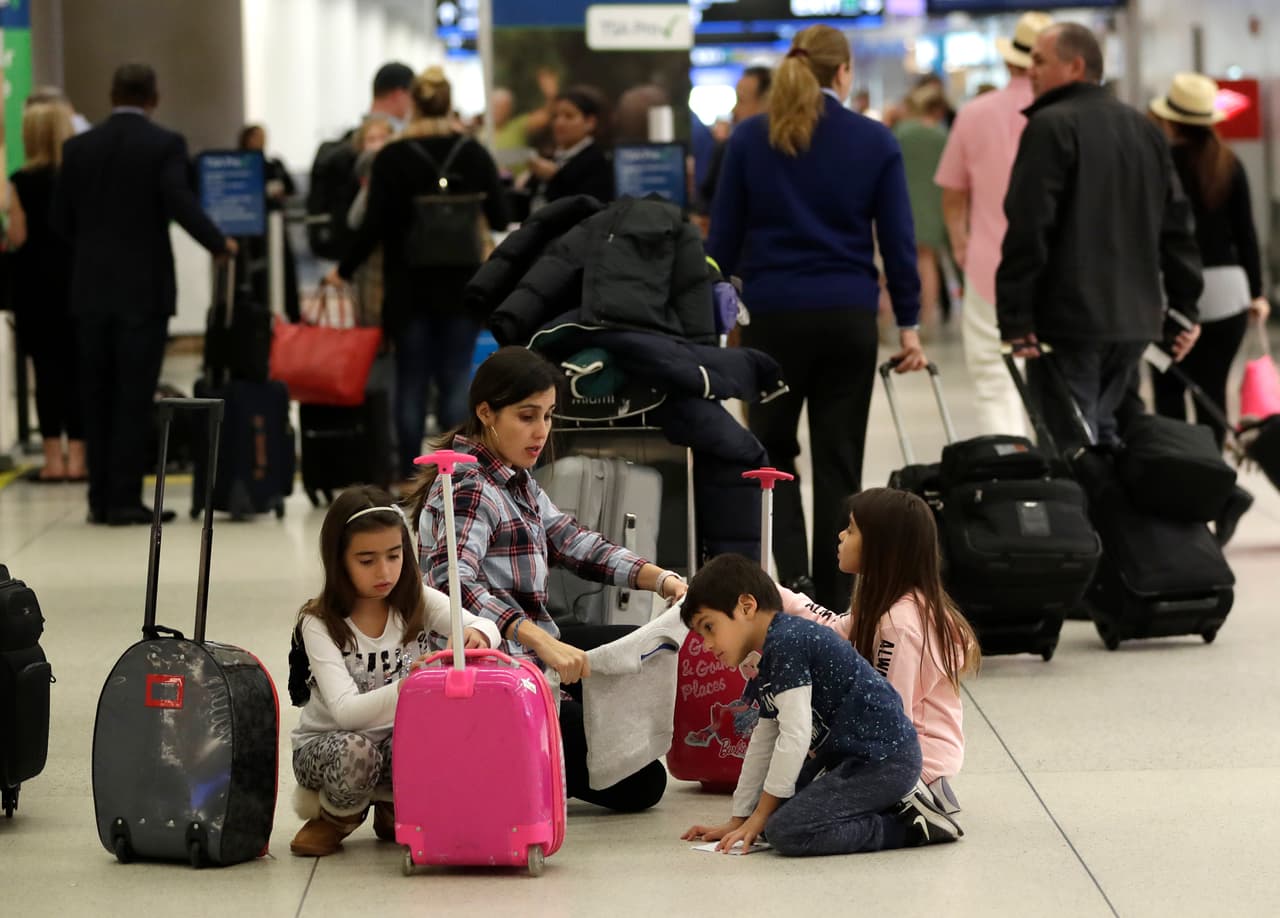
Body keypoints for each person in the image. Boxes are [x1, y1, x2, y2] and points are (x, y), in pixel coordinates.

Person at [707, 24, 927, 611]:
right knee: (839, 459)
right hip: (848, 318)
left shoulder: (752, 139)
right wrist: (909, 323)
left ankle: (794, 586)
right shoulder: (875, 140)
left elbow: (722, 242)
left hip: (773, 321)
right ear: (844, 72)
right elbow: (899, 242)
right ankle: (839, 595)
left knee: (774, 457)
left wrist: (713, 319)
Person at [409, 346, 683, 812]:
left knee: (640, 646)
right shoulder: (471, 487)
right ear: (486, 413)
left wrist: (661, 580)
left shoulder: (514, 478)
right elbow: (456, 586)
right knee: (644, 785)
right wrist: (540, 641)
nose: (541, 432)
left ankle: (570, 735)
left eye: (549, 416)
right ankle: (521, 760)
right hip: (495, 671)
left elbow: (574, 542)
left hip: (531, 649)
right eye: (527, 416)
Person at [997, 23, 1203, 451]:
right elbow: (1177, 226)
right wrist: (1184, 308)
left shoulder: (1050, 126)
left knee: (1067, 447)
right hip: (1135, 322)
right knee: (1104, 435)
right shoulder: (1145, 129)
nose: (1029, 71)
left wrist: (1015, 315)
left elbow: (1030, 224)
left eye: (1039, 61)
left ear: (1075, 66)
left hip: (1070, 320)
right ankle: (1106, 518)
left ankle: (1082, 518)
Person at [678, 554, 961, 856]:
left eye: (709, 627)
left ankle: (908, 825)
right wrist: (740, 818)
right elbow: (763, 740)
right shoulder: (771, 652)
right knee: (773, 813)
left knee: (785, 831)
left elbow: (795, 736)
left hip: (884, 761)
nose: (707, 645)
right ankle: (887, 802)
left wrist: (759, 817)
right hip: (848, 761)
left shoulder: (788, 643)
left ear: (747, 607)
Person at [52, 63, 235, 526]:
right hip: (143, 291)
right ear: (153, 98)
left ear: (112, 95)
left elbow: (60, 221)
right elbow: (179, 200)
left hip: (90, 291)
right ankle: (124, 500)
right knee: (134, 396)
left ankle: (98, 499)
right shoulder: (164, 145)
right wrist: (218, 243)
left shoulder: (77, 148)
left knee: (95, 394)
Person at [289, 486, 500, 856]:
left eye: (394, 555)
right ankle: (337, 816)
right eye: (366, 560)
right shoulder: (318, 622)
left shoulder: (415, 599)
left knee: (446, 735)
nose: (384, 571)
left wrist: (475, 634)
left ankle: (392, 806)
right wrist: (412, 686)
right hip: (329, 749)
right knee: (357, 752)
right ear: (338, 561)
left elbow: (486, 626)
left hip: (399, 745)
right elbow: (345, 712)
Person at [328, 67, 508, 482]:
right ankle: (451, 476)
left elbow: (372, 225)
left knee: (409, 381)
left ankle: (408, 477)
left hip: (407, 288)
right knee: (455, 380)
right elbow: (501, 213)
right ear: (448, 103)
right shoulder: (472, 152)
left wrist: (344, 269)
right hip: (462, 287)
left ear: (413, 104)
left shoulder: (392, 156)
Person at [780, 488, 980, 815]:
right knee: (784, 789)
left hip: (910, 763)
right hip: (895, 753)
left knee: (790, 815)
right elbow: (831, 628)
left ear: (881, 548)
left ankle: (917, 815)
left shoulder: (898, 625)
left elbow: (888, 716)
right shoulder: (890, 605)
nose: (841, 535)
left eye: (852, 529)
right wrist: (772, 593)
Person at [1149, 72, 1267, 545]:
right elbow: (1246, 233)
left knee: (1170, 395)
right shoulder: (1229, 163)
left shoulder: (1159, 165)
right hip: (1230, 293)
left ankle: (1184, 504)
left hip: (1175, 294)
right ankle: (1217, 491)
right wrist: (1258, 292)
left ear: (1171, 119)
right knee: (1212, 395)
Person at [935, 11, 1053, 437]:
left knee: (993, 378)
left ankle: (1015, 483)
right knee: (1058, 378)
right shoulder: (1069, 115)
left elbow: (952, 192)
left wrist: (962, 244)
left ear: (1009, 62)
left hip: (991, 264)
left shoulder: (975, 114)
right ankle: (1065, 482)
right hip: (1062, 269)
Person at [6, 101, 84, 482]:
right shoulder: (79, 177)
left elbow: (18, 237)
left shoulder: (19, 181)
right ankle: (81, 458)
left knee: (48, 374)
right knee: (80, 371)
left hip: (35, 288)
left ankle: (54, 460)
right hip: (77, 283)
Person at [306, 62, 415, 260]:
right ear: (399, 94)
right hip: (379, 251)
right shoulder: (390, 146)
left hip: (354, 249)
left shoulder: (350, 143)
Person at [894, 84, 951, 334]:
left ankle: (891, 321)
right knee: (928, 263)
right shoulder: (942, 136)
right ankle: (928, 320)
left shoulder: (902, 133)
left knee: (896, 264)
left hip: (902, 204)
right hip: (934, 204)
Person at [238, 124, 300, 321]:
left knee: (282, 267)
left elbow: (291, 188)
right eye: (256, 137)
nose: (260, 140)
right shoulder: (242, 165)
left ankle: (289, 311)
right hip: (250, 227)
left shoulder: (274, 164)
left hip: (275, 223)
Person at [524, 86, 614, 207]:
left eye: (569, 116)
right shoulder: (551, 156)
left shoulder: (598, 160)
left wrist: (554, 177)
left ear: (590, 122)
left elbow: (587, 207)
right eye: (555, 116)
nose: (559, 123)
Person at [700, 66, 773, 211]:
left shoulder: (730, 151)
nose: (734, 111)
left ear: (767, 105)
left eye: (741, 100)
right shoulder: (727, 150)